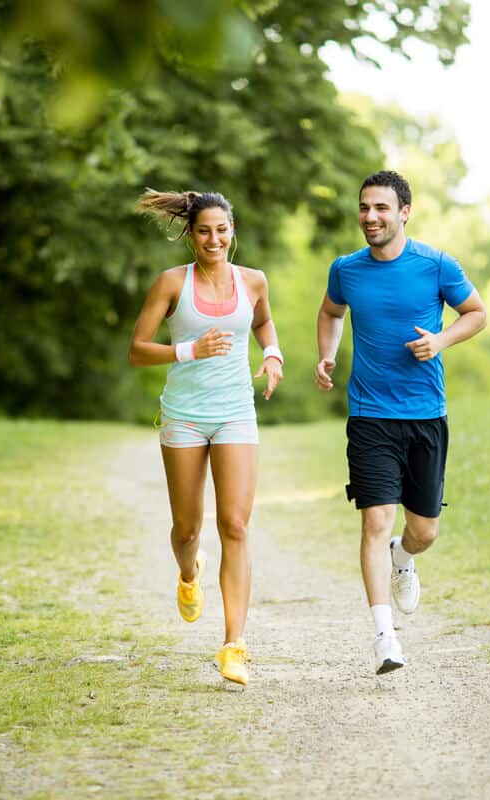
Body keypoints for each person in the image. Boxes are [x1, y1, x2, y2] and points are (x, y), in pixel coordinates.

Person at [315, 170, 487, 675]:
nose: (370, 217)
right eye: (364, 208)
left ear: (404, 211)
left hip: (425, 415)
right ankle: (385, 638)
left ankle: (404, 558)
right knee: (374, 519)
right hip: (370, 416)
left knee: (424, 531)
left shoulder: (435, 265)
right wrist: (327, 354)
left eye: (381, 208)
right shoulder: (346, 270)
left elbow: (476, 313)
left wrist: (440, 341)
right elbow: (330, 312)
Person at [129, 189, 284, 686]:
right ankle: (188, 572)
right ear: (191, 234)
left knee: (235, 525)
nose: (213, 239)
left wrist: (273, 352)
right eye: (203, 230)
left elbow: (261, 321)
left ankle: (234, 645)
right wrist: (188, 350)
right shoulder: (172, 283)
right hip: (185, 416)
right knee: (187, 530)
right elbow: (137, 349)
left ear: (232, 230)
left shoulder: (253, 281)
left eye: (221, 229)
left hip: (236, 412)